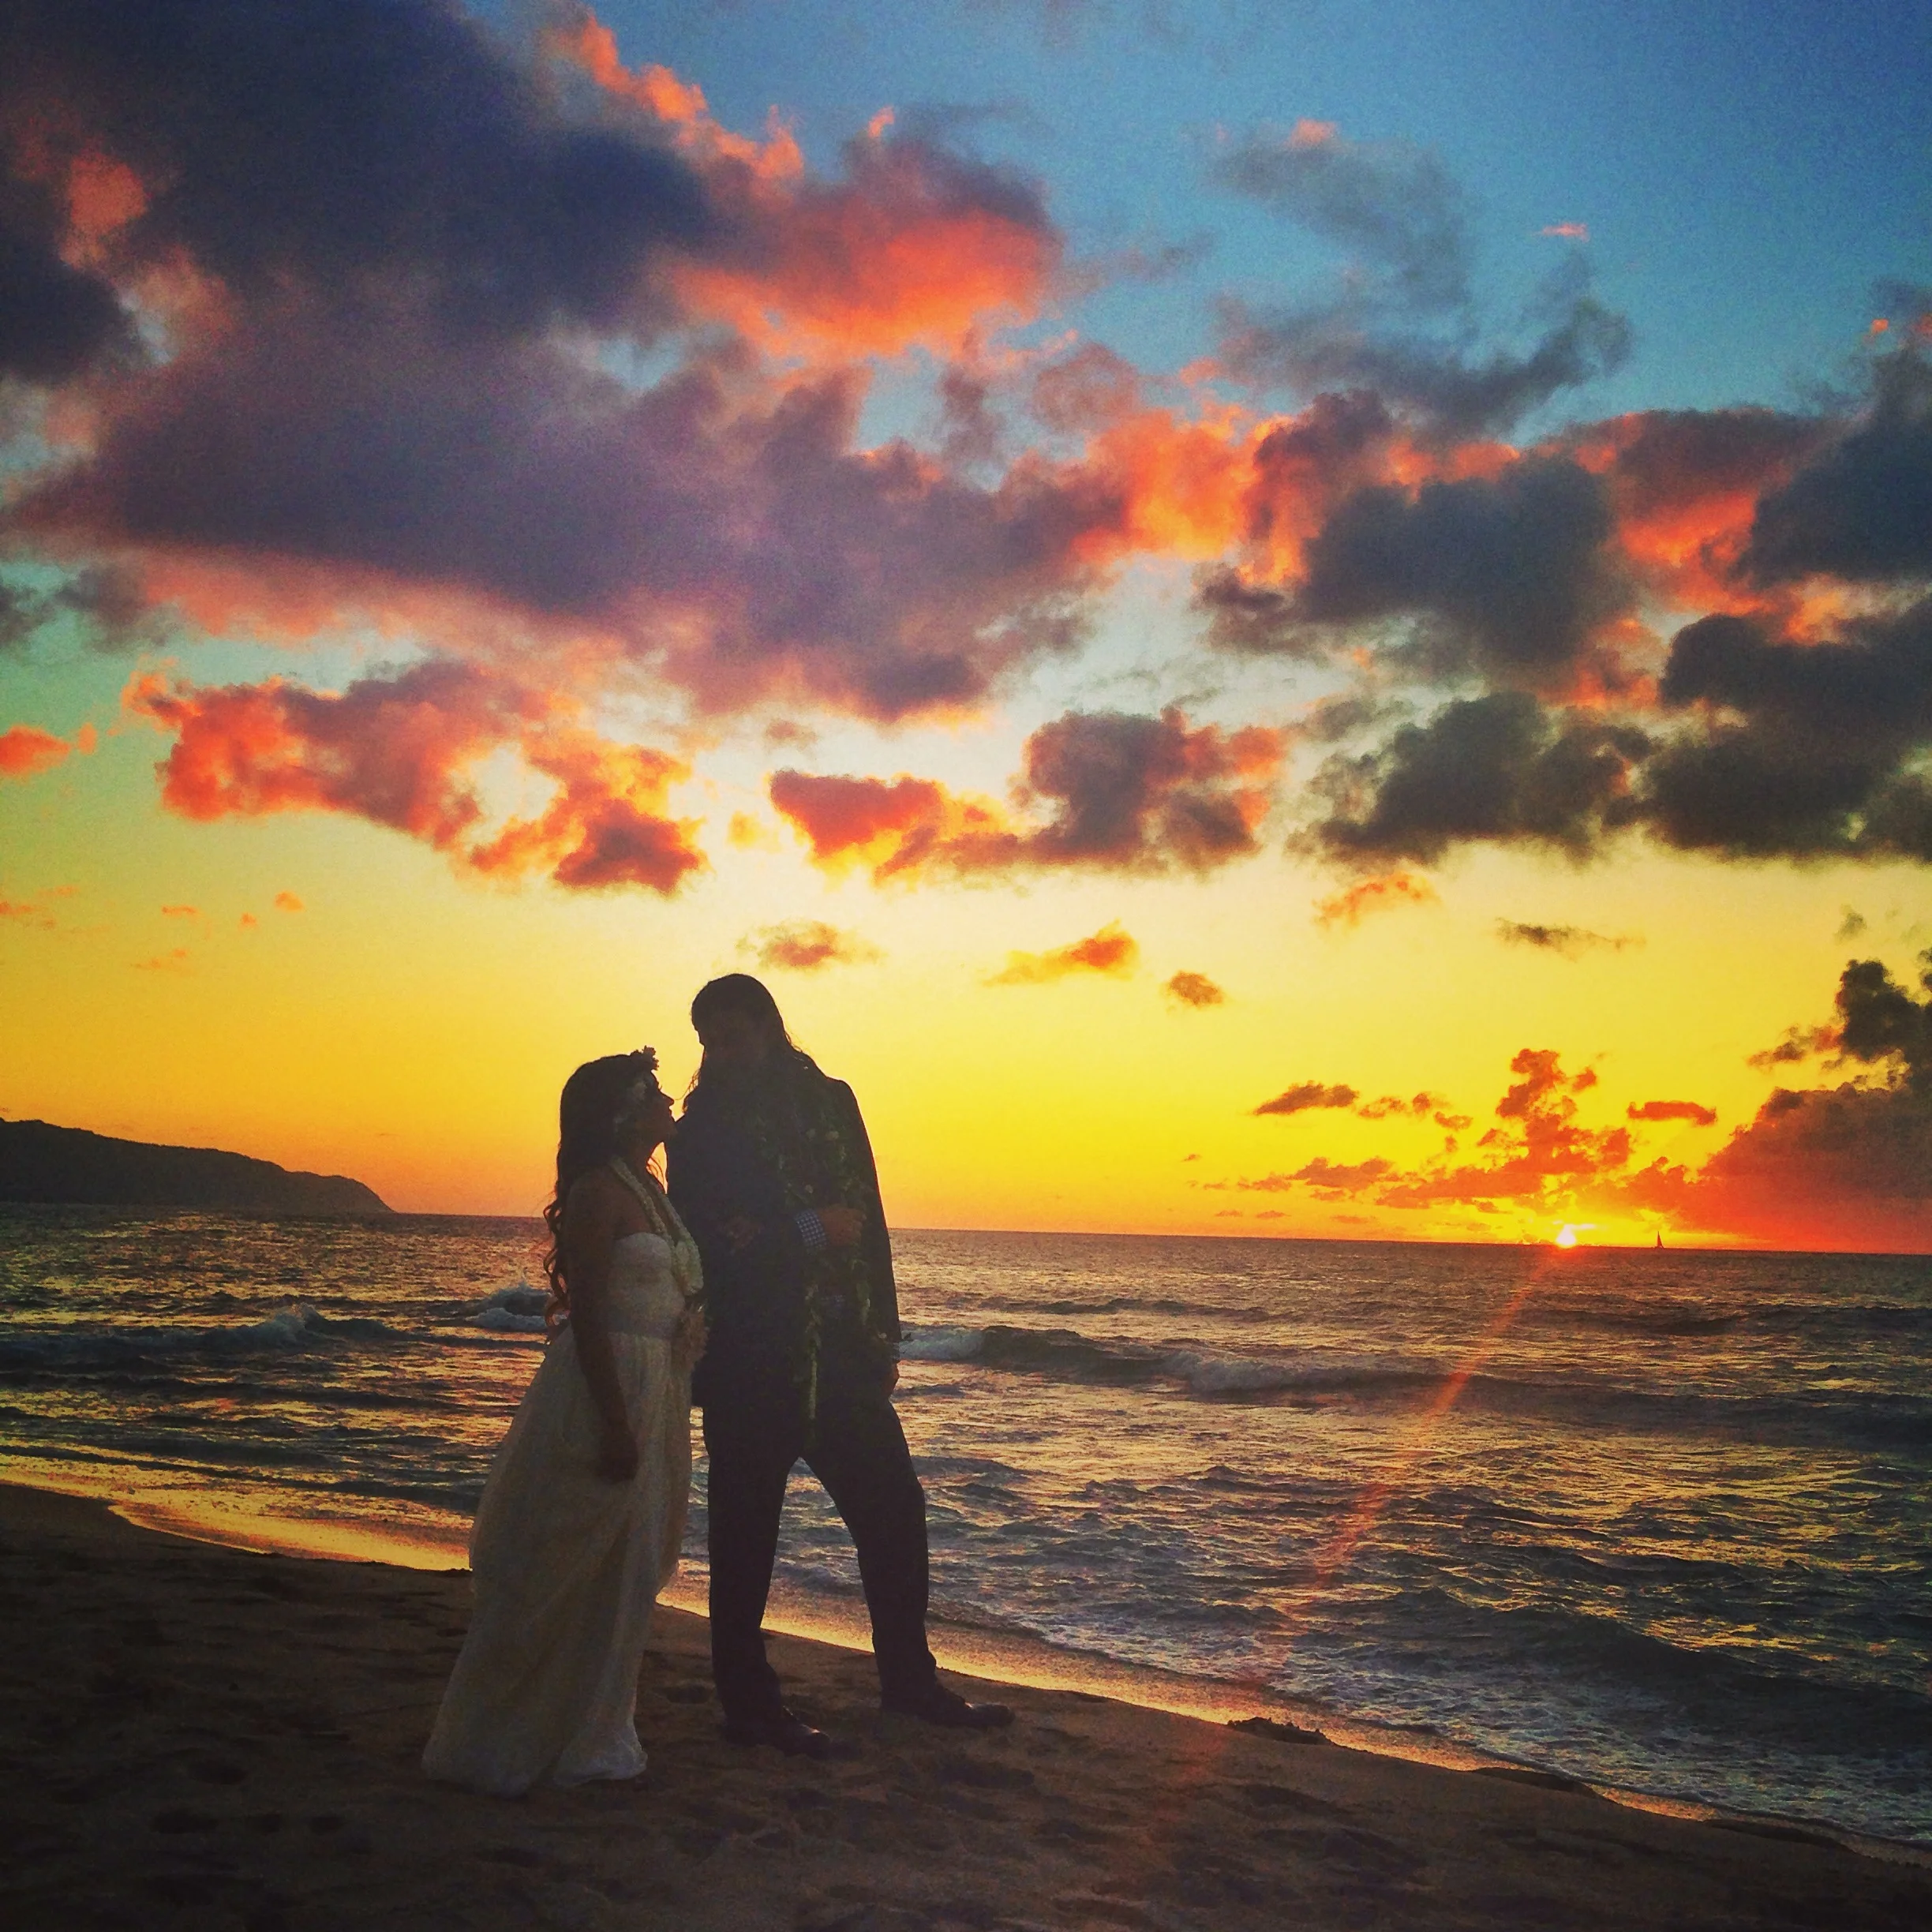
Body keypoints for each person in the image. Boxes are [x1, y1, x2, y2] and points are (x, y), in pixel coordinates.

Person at [668, 974, 1010, 1757]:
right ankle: (749, 1705)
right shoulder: (700, 1133)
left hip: (842, 1351)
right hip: (752, 1355)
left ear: (769, 1027)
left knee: (893, 1510)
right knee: (744, 1534)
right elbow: (716, 1244)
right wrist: (811, 1231)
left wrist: (884, 1330)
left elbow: (872, 1215)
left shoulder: (832, 1102)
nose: (722, 1054)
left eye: (735, 1036)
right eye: (710, 1041)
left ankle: (910, 1682)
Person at [424, 1050, 704, 1795]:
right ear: (619, 1112)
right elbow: (587, 1315)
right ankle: (516, 1734)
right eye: (653, 1092)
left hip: (661, 1387)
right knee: (565, 1559)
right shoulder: (595, 1193)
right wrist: (616, 1423)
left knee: (630, 1563)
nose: (668, 1098)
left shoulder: (651, 1188)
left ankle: (598, 1727)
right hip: (606, 1386)